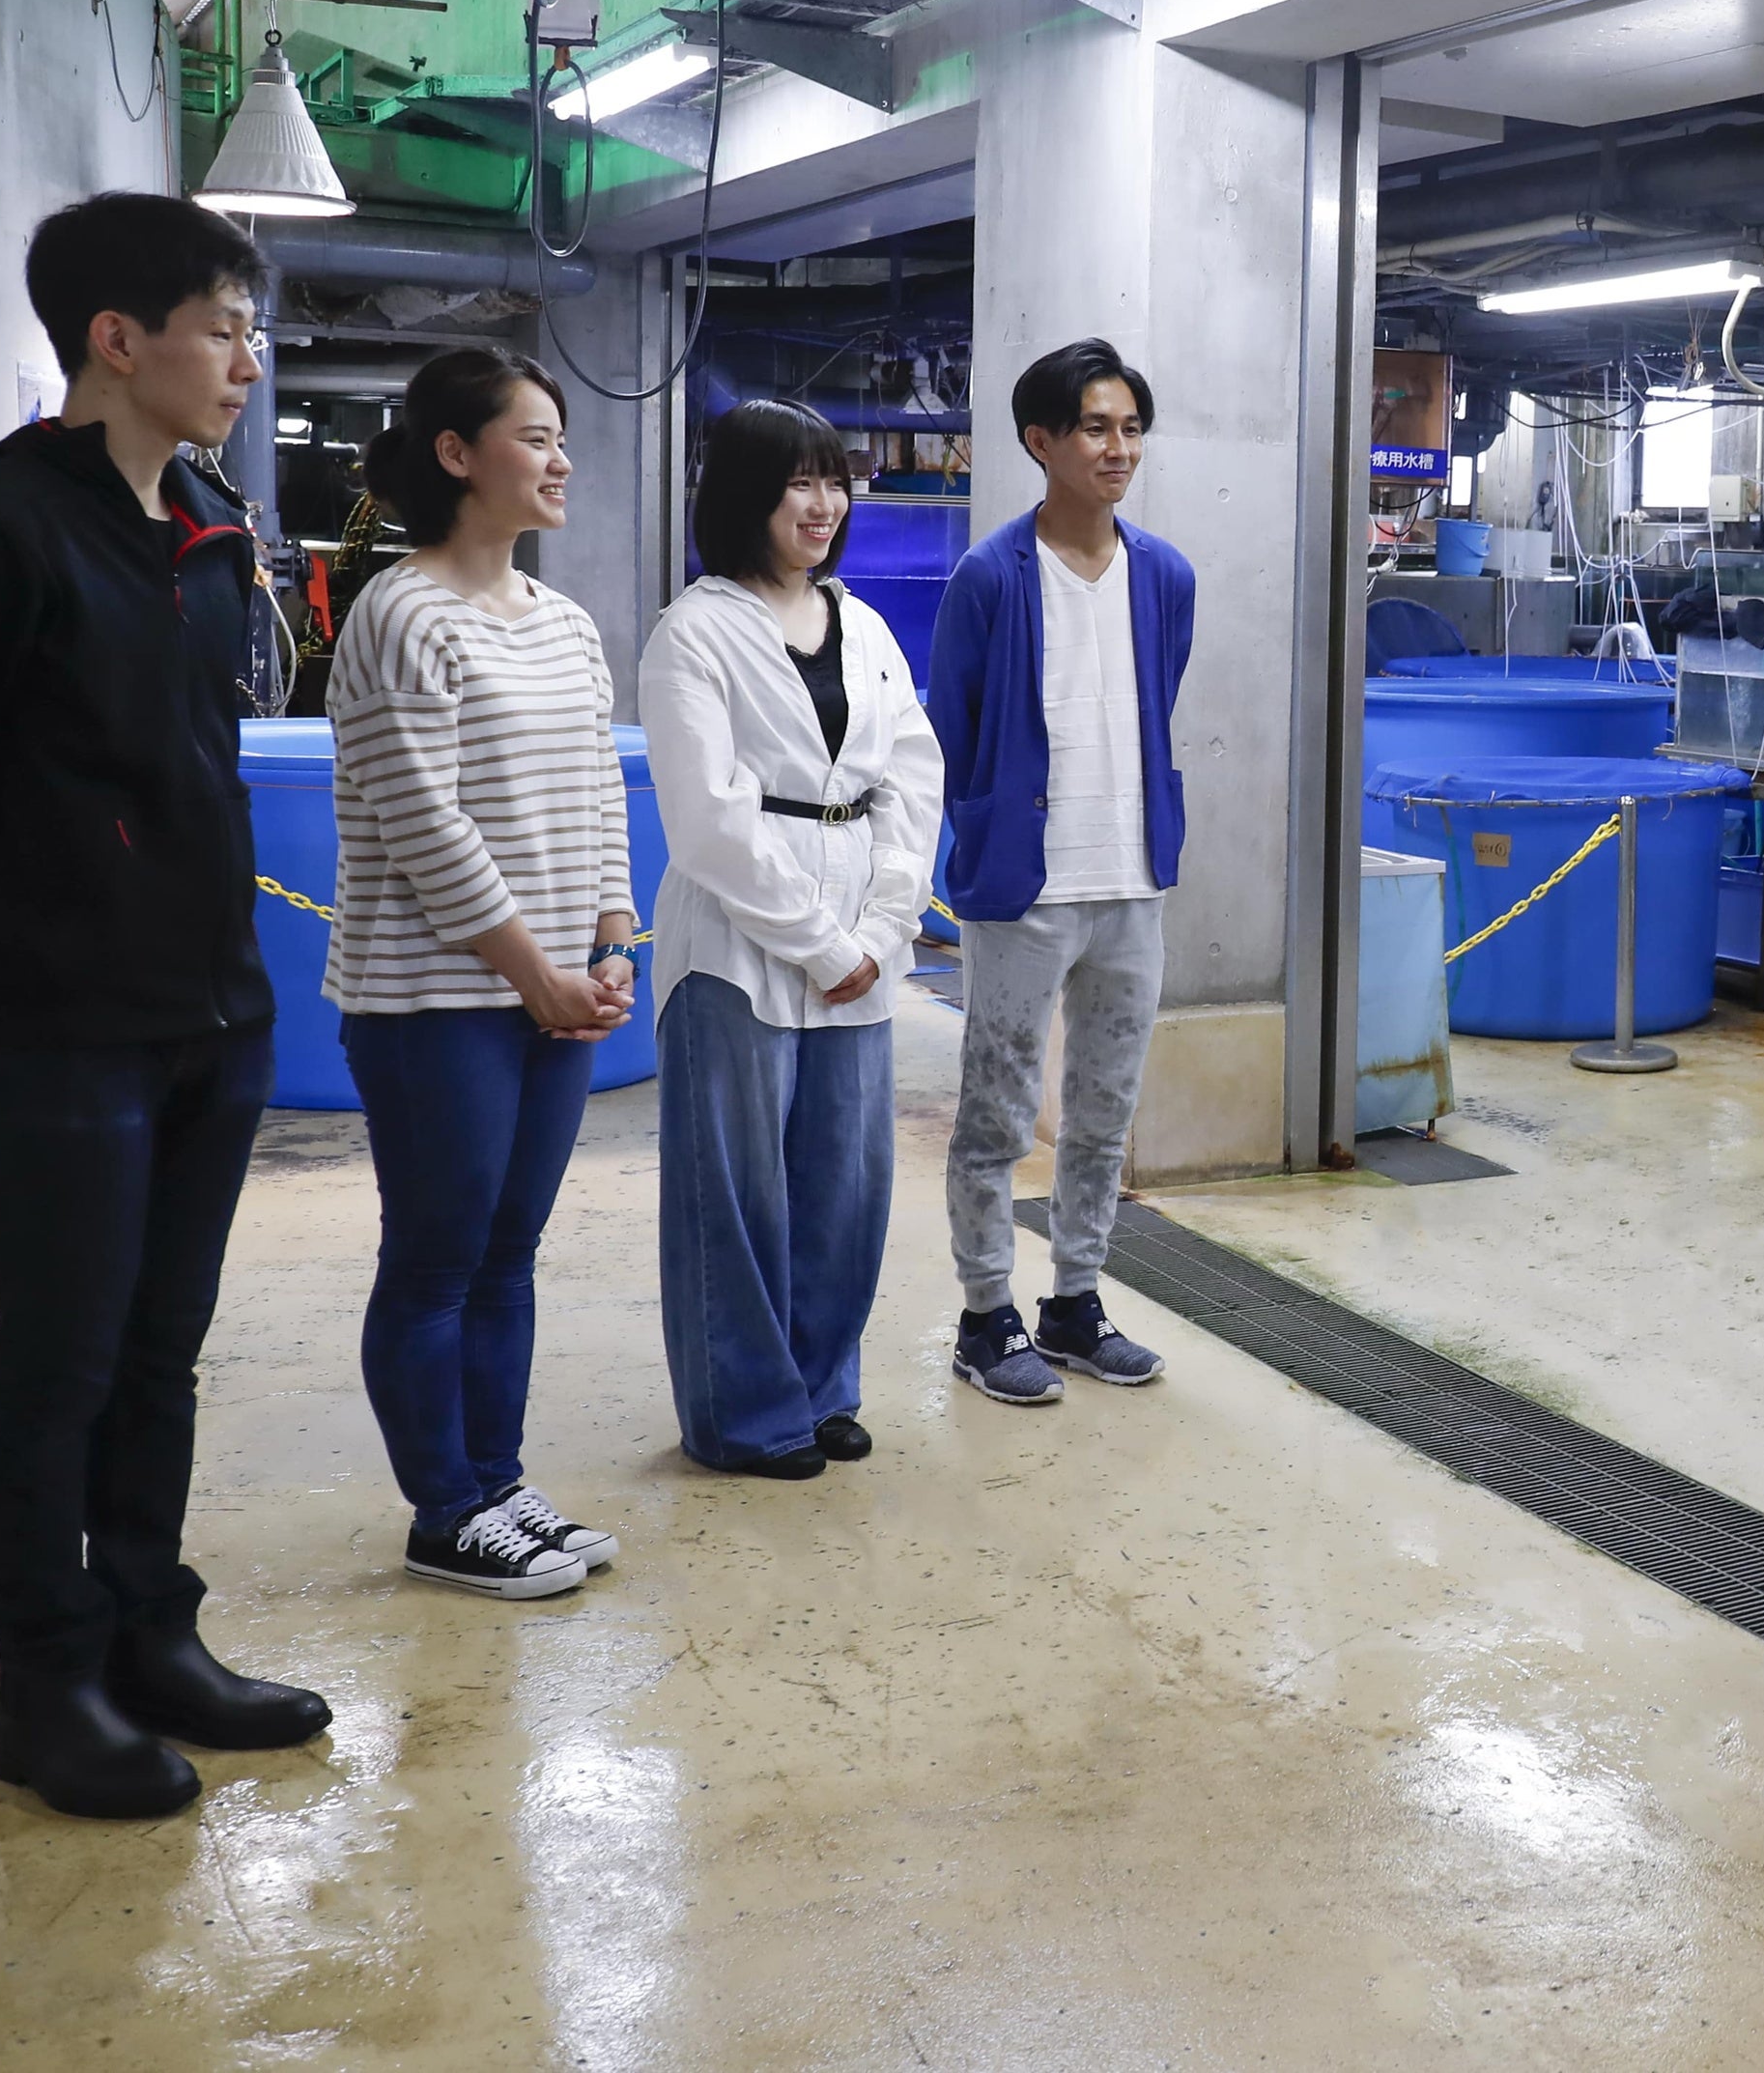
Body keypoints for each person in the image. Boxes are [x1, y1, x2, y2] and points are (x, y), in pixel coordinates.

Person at [0, 193, 330, 1818]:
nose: (248, 361)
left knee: (157, 1355)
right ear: (119, 341)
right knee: (58, 1358)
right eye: (223, 327)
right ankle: (42, 1689)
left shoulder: (199, 528)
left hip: (208, 1013)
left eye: (252, 330)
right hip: (56, 1027)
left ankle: (144, 1636)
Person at [326, 348, 637, 1600]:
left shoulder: (564, 625)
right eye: (535, 438)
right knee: (439, 1259)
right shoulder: (400, 615)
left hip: (555, 994)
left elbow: (601, 791)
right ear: (456, 455)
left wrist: (610, 945)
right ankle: (443, 1509)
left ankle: (498, 1483)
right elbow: (426, 827)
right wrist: (536, 973)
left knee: (510, 1256)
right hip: (433, 1003)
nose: (562, 461)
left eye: (563, 439)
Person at [641, 400, 941, 1477]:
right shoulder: (695, 630)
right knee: (737, 1193)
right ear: (743, 496)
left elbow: (912, 771)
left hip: (863, 931)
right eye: (797, 483)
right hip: (736, 946)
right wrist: (823, 941)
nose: (824, 504)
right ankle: (742, 1410)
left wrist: (886, 918)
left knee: (845, 1183)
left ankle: (822, 1388)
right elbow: (710, 821)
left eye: (835, 479)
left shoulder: (861, 624)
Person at [929, 337, 1192, 1403]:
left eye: (1130, 426)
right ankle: (985, 1313)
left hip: (1131, 882)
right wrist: (989, 834)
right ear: (1041, 440)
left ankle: (1075, 1300)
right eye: (1095, 426)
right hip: (1023, 890)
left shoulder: (1165, 574)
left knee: (1104, 1110)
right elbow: (952, 728)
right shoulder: (990, 576)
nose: (1117, 446)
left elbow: (1156, 704)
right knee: (995, 1110)